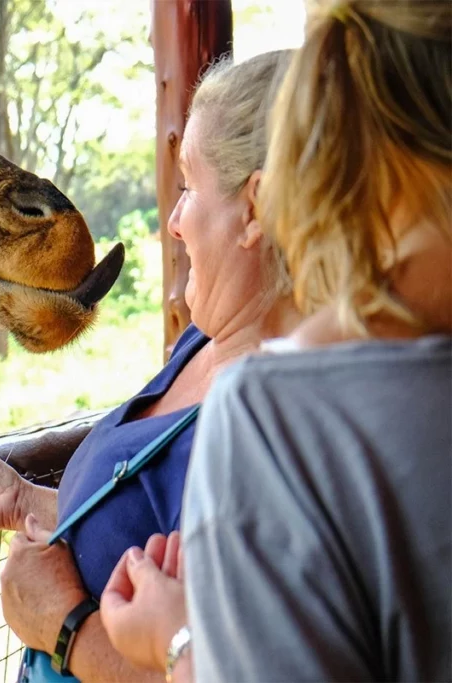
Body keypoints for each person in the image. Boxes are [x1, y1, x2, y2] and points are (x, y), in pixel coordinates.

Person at [0, 49, 300, 681]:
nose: (173, 222)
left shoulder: (283, 428)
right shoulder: (202, 343)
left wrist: (65, 629)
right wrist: (25, 503)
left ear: (254, 207)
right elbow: (141, 534)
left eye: (191, 187)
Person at [100, 1, 452, 681]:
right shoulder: (210, 365)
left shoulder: (275, 418)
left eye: (190, 187)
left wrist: (178, 646)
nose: (172, 222)